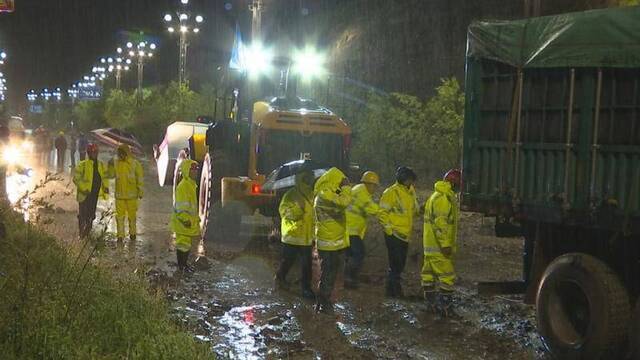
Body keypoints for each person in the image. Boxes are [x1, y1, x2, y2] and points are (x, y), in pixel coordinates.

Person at [421, 169, 461, 314]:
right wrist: (445, 245)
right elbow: (441, 224)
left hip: (430, 246)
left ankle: (430, 304)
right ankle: (446, 307)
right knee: (447, 276)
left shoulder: (436, 196)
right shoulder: (443, 198)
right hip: (438, 248)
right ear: (453, 183)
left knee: (428, 276)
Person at [313, 167, 351, 313]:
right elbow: (344, 202)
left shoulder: (327, 193)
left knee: (330, 272)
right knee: (328, 273)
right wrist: (346, 187)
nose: (342, 183)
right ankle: (324, 302)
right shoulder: (324, 194)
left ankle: (323, 300)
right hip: (328, 242)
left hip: (333, 241)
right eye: (340, 180)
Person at [344, 171, 388, 289]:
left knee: (350, 255)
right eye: (374, 185)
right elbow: (372, 208)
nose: (375, 188)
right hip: (351, 230)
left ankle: (347, 279)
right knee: (359, 253)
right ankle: (349, 279)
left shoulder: (359, 190)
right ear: (368, 184)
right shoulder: (362, 192)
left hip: (349, 229)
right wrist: (385, 213)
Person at [275, 170, 315, 299]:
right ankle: (280, 277)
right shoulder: (291, 194)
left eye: (311, 177)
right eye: (307, 177)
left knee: (306, 264)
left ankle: (306, 288)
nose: (310, 179)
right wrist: (298, 211)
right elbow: (284, 211)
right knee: (288, 260)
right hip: (292, 236)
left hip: (306, 236)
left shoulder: (312, 194)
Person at [380, 166, 418, 298]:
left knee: (400, 264)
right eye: (409, 180)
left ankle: (390, 291)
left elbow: (413, 209)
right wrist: (389, 230)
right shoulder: (391, 192)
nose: (411, 183)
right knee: (396, 264)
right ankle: (395, 292)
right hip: (394, 234)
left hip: (405, 234)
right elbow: (382, 212)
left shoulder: (410, 191)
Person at [108, 144, 144, 242]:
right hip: (119, 196)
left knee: (132, 217)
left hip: (132, 197)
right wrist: (110, 165)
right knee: (119, 217)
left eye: (121, 153)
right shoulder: (115, 163)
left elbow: (139, 179)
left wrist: (140, 192)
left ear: (126, 153)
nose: (120, 155)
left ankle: (132, 234)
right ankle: (120, 236)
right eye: (119, 153)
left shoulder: (135, 164)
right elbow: (110, 175)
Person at [73, 144, 109, 238]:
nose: (94, 154)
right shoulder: (82, 164)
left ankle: (87, 233)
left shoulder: (101, 165)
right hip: (84, 195)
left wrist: (105, 187)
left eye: (96, 152)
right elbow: (76, 179)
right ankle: (81, 234)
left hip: (94, 194)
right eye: (93, 152)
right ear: (89, 153)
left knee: (91, 215)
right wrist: (84, 189)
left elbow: (104, 177)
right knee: (82, 215)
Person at [171, 159, 200, 273]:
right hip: (182, 222)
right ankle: (181, 266)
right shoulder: (184, 186)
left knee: (186, 245)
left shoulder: (191, 185)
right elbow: (181, 206)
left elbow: (190, 206)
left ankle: (183, 265)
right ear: (187, 171)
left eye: (196, 169)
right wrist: (185, 219)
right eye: (193, 170)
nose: (196, 172)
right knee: (182, 244)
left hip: (186, 222)